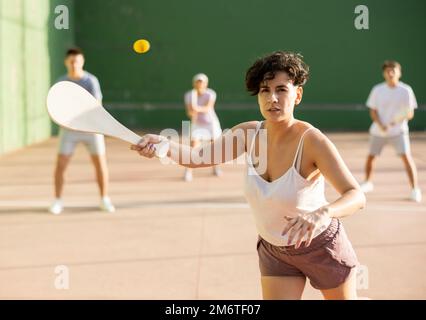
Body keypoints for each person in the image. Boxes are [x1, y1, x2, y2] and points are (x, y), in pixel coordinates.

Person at [132, 51, 366, 299]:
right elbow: (197, 158)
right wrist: (163, 144)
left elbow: (356, 195)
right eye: (265, 90)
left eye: (281, 90)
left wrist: (323, 213)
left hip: (320, 246)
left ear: (297, 95)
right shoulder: (248, 133)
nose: (272, 98)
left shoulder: (312, 141)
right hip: (275, 251)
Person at [48, 47, 115, 214]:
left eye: (77, 61)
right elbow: (57, 106)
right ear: (66, 62)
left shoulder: (91, 81)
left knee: (100, 163)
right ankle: (57, 201)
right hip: (69, 130)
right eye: (71, 61)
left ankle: (104, 199)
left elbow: (96, 106)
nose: (74, 64)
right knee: (60, 165)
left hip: (91, 130)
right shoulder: (61, 82)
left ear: (82, 62)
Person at [359, 60, 421, 202]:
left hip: (399, 132)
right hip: (378, 131)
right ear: (384, 73)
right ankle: (368, 183)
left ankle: (415, 189)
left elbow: (409, 112)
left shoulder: (406, 90)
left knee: (406, 157)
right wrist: (381, 125)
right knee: (371, 157)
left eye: (393, 70)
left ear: (399, 73)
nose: (390, 72)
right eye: (387, 70)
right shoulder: (377, 90)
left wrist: (393, 123)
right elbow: (373, 111)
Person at [183, 73, 223, 181]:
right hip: (197, 124)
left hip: (211, 123)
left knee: (214, 146)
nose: (200, 84)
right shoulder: (189, 95)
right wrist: (192, 112)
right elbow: (189, 112)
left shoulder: (211, 94)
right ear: (194, 83)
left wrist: (196, 108)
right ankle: (188, 171)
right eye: (198, 82)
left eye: (202, 82)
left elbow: (208, 108)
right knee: (193, 147)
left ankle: (216, 168)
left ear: (206, 83)